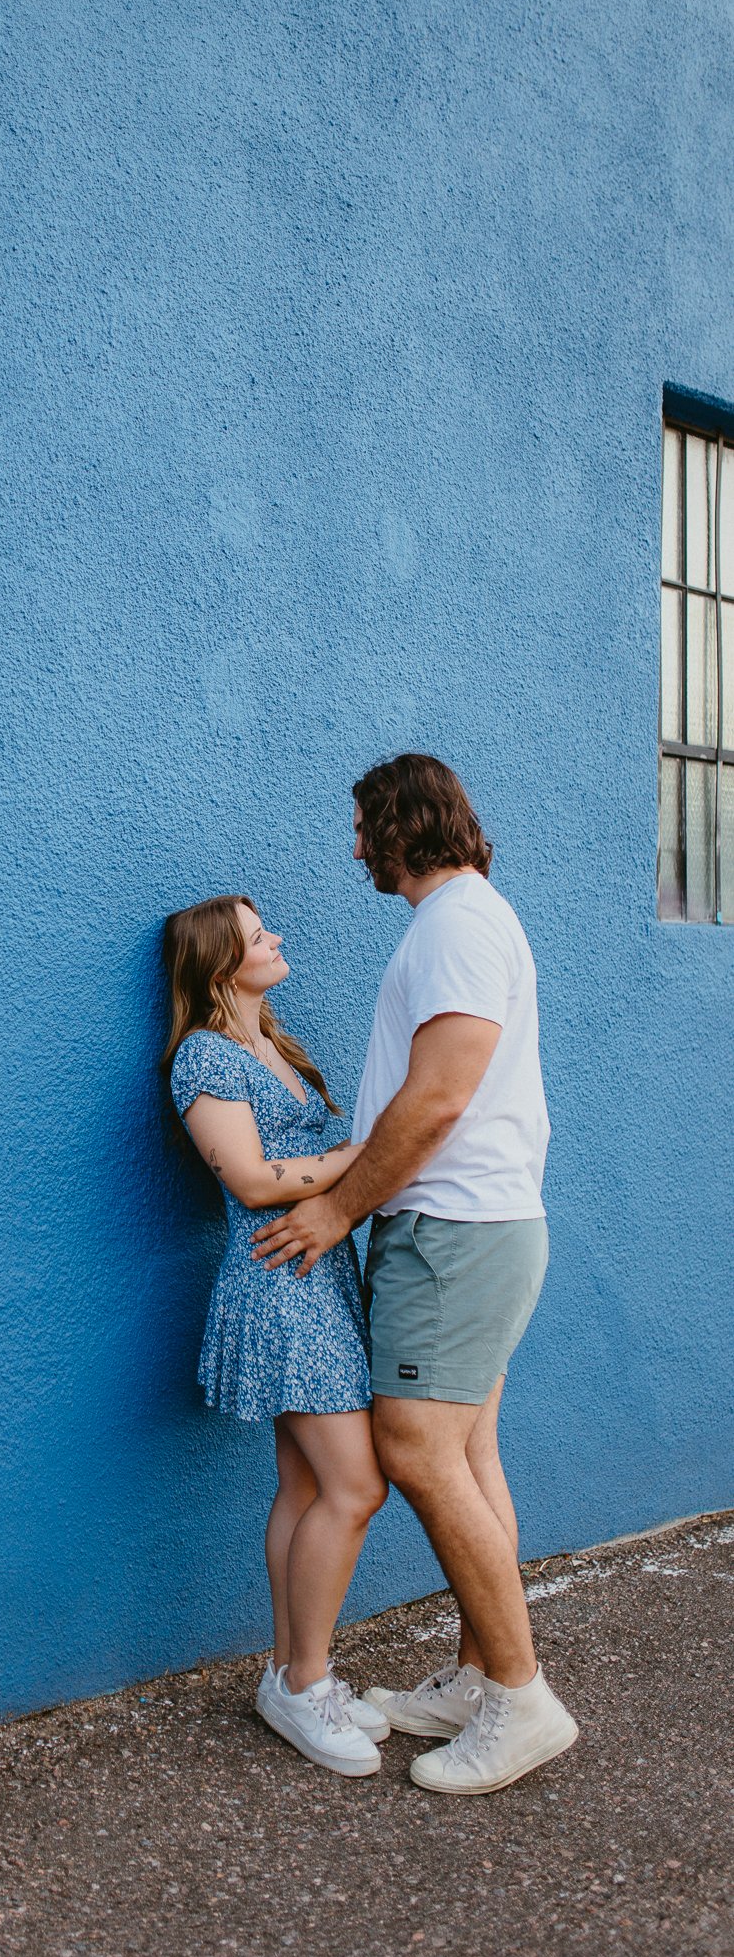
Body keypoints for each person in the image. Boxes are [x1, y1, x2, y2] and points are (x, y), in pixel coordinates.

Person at [250, 754, 578, 1795]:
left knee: (416, 1446)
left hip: (454, 1230)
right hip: (469, 1227)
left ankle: (520, 1699)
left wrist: (338, 1207)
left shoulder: (457, 925)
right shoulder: (460, 921)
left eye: (361, 825)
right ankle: (484, 1677)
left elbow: (438, 1099)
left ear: (400, 823)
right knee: (468, 1448)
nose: (353, 846)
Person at [162, 894, 390, 1777]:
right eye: (260, 936)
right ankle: (304, 1684)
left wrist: (344, 1170)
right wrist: (353, 1161)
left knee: (302, 1486)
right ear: (221, 963)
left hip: (318, 1273)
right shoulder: (204, 1058)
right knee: (353, 1486)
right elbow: (254, 1183)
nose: (279, 938)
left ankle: (293, 1679)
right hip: (277, 1281)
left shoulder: (277, 1049)